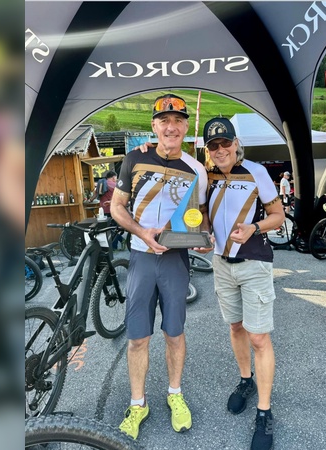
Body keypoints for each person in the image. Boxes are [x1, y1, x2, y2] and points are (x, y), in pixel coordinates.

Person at [109, 93, 210, 440]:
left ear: (185, 127)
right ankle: (138, 404)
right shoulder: (134, 160)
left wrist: (199, 236)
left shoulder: (197, 169)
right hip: (140, 257)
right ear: (153, 125)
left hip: (175, 261)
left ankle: (175, 395)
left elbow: (199, 215)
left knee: (174, 334)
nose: (171, 126)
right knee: (138, 338)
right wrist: (141, 232)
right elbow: (117, 208)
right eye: (164, 120)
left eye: (178, 120)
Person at [203, 117, 284, 450]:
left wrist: (255, 228)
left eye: (226, 143)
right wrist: (202, 232)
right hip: (221, 264)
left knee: (259, 337)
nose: (220, 150)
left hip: (253, 263)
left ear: (236, 144)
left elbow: (278, 216)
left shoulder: (256, 171)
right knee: (236, 328)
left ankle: (264, 412)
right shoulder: (205, 176)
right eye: (214, 146)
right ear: (208, 151)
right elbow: (203, 213)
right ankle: (246, 380)